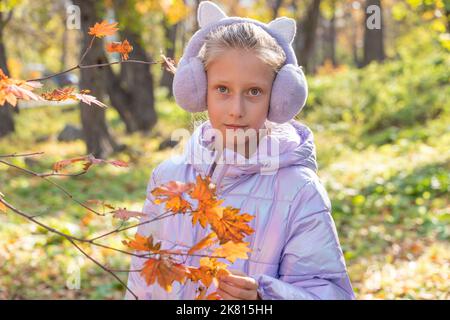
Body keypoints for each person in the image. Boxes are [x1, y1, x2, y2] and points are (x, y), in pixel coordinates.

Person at [125, 1, 355, 300]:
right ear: (199, 90)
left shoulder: (299, 190)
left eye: (254, 92)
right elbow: (143, 283)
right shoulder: (167, 179)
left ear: (278, 99)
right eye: (222, 89)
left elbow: (330, 293)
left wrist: (263, 298)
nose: (236, 110)